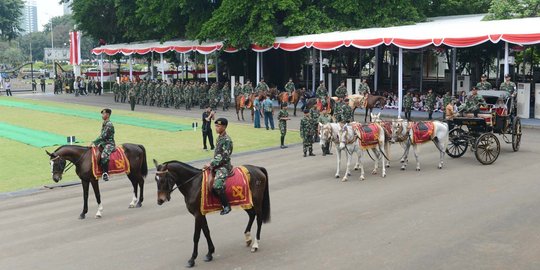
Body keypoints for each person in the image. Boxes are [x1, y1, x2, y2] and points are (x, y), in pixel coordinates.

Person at [202, 118, 233, 215]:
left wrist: (211, 164)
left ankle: (226, 206)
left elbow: (224, 156)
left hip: (223, 166)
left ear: (224, 127)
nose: (216, 128)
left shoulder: (227, 140)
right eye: (215, 126)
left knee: (217, 185)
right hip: (216, 164)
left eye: (218, 126)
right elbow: (217, 154)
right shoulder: (219, 138)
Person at [91, 108, 115, 181]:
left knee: (104, 155)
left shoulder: (109, 124)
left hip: (109, 143)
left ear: (107, 115)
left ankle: (105, 173)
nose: (102, 115)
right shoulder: (105, 123)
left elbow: (103, 136)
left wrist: (94, 142)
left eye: (103, 114)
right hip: (103, 143)